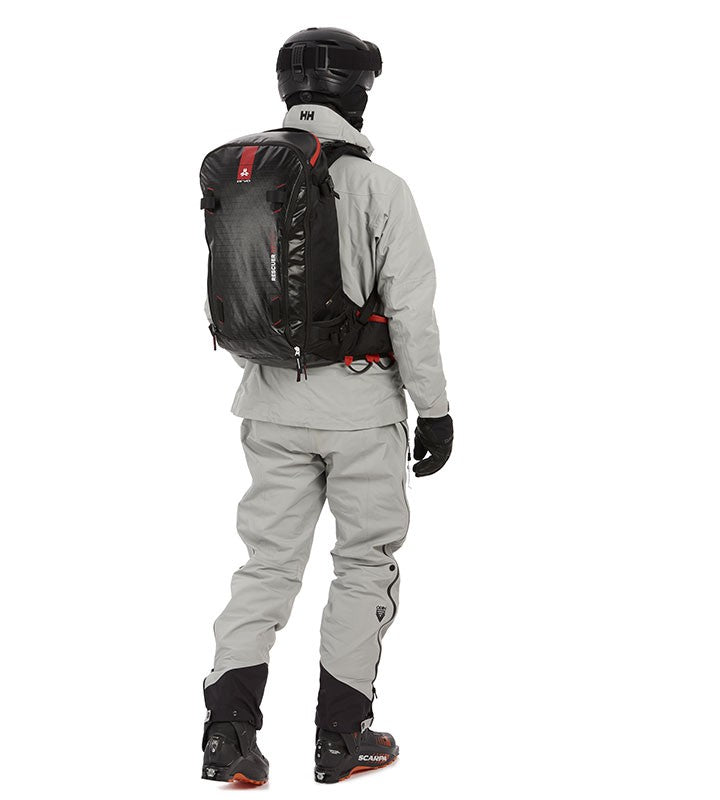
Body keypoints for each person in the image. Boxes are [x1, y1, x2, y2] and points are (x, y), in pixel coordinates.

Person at [201, 27, 453, 785]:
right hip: (362, 413)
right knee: (365, 561)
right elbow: (410, 312)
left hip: (268, 404)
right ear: (357, 93)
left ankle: (226, 733)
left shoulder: (248, 173)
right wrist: (434, 409)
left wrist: (279, 373)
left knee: (267, 564)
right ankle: (342, 737)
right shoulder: (381, 188)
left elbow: (234, 299)